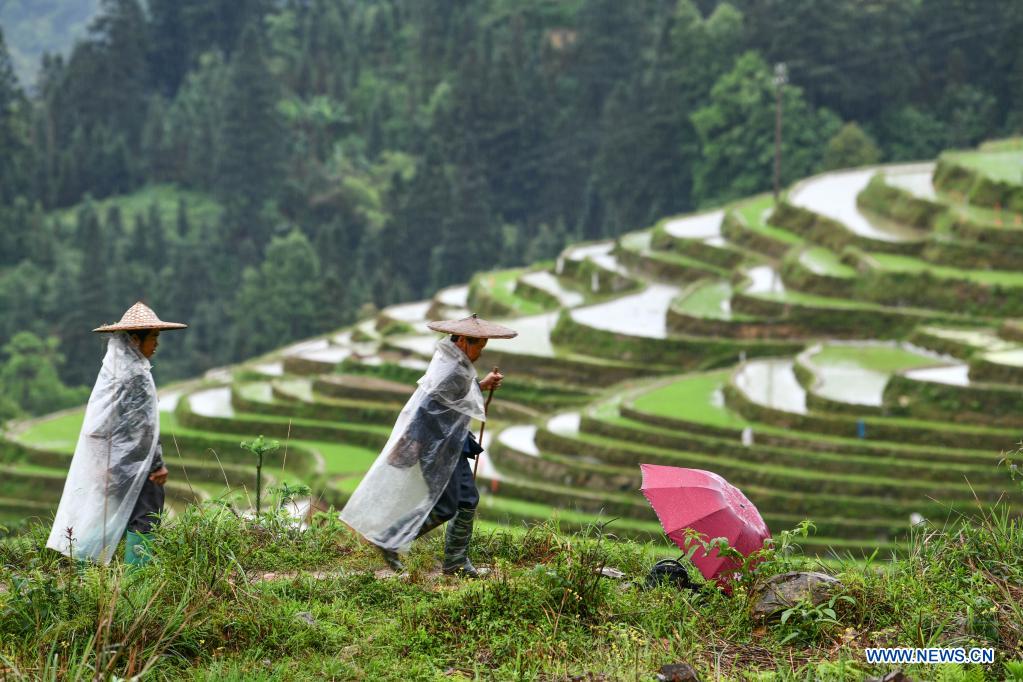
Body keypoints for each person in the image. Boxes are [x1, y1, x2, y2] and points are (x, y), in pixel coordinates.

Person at [341, 314, 517, 576]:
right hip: (435, 445)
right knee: (453, 504)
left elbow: (452, 399)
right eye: (480, 345)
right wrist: (415, 444)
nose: (481, 351)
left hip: (446, 443)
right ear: (464, 342)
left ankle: (450, 559)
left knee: (465, 500)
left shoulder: (451, 362)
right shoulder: (453, 369)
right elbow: (436, 405)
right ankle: (395, 541)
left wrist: (480, 385)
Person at [46, 302, 186, 565]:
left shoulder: (113, 373)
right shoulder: (138, 377)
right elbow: (144, 428)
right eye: (152, 337)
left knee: (106, 514)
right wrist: (157, 465)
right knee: (147, 516)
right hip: (134, 464)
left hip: (111, 464)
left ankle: (82, 571)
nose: (156, 343)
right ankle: (137, 583)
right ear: (135, 339)